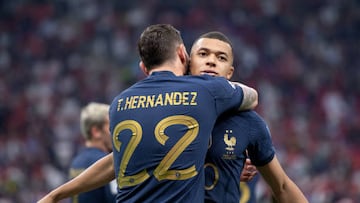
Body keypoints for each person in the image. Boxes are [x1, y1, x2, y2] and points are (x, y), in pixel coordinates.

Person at [37, 24, 258, 203]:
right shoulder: (206, 89)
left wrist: (56, 194)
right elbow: (252, 97)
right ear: (183, 53)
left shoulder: (119, 104)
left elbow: (118, 161)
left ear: (144, 68)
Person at [189, 31, 307, 203]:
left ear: (229, 73)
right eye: (203, 54)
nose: (211, 61)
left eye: (221, 58)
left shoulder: (248, 123)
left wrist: (228, 167)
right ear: (189, 63)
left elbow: (282, 187)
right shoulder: (164, 110)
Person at [68, 102, 116, 203]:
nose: (114, 131)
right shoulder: (106, 163)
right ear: (96, 132)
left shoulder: (76, 162)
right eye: (110, 126)